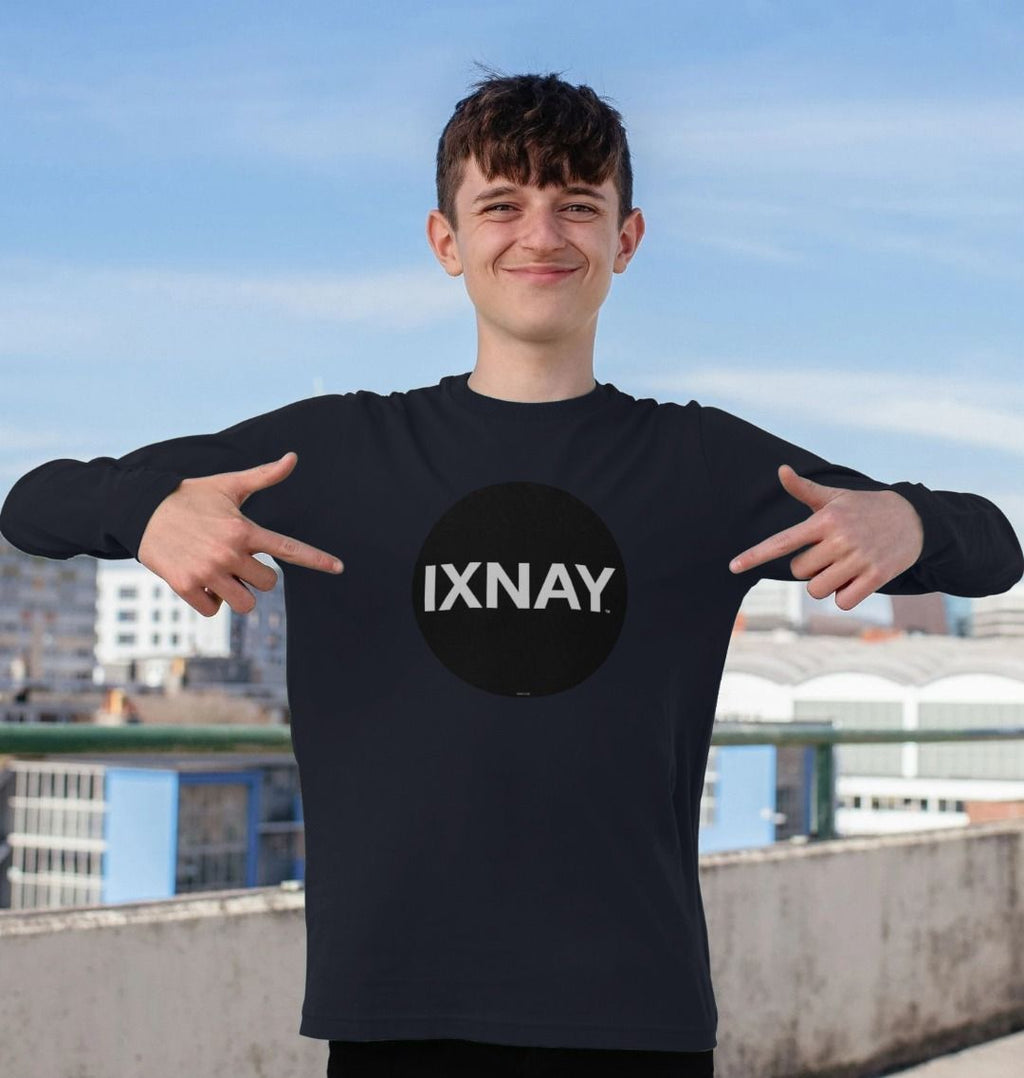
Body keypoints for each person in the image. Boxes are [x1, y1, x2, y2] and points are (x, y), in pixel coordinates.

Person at [2, 69, 1021, 1078]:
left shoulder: (704, 466)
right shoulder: (336, 452)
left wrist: (910, 514)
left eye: (577, 205)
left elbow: (993, 544)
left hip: (638, 1012)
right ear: (447, 240)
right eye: (503, 204)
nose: (541, 235)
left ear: (625, 239)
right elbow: (33, 503)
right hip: (396, 1007)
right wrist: (143, 510)